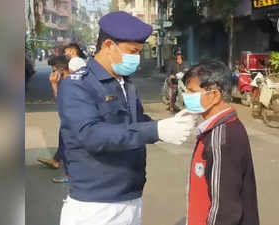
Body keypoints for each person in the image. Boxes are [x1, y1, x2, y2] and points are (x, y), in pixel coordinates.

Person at [57, 11, 196, 225]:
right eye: (132, 51)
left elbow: (136, 121)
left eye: (139, 52)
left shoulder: (124, 82)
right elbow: (92, 135)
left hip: (131, 198)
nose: (136, 59)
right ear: (108, 45)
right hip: (96, 206)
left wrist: (170, 125)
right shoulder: (77, 85)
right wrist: (156, 130)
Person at [182, 60, 260, 225]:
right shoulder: (217, 128)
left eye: (192, 92)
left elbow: (225, 209)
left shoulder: (221, 137)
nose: (186, 97)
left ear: (215, 95)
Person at [37, 56, 72, 183]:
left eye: (53, 70)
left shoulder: (67, 82)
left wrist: (53, 84)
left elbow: (61, 103)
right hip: (70, 120)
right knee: (64, 142)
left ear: (60, 70)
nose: (52, 73)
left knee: (68, 147)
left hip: (71, 121)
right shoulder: (70, 79)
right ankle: (57, 161)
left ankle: (70, 175)